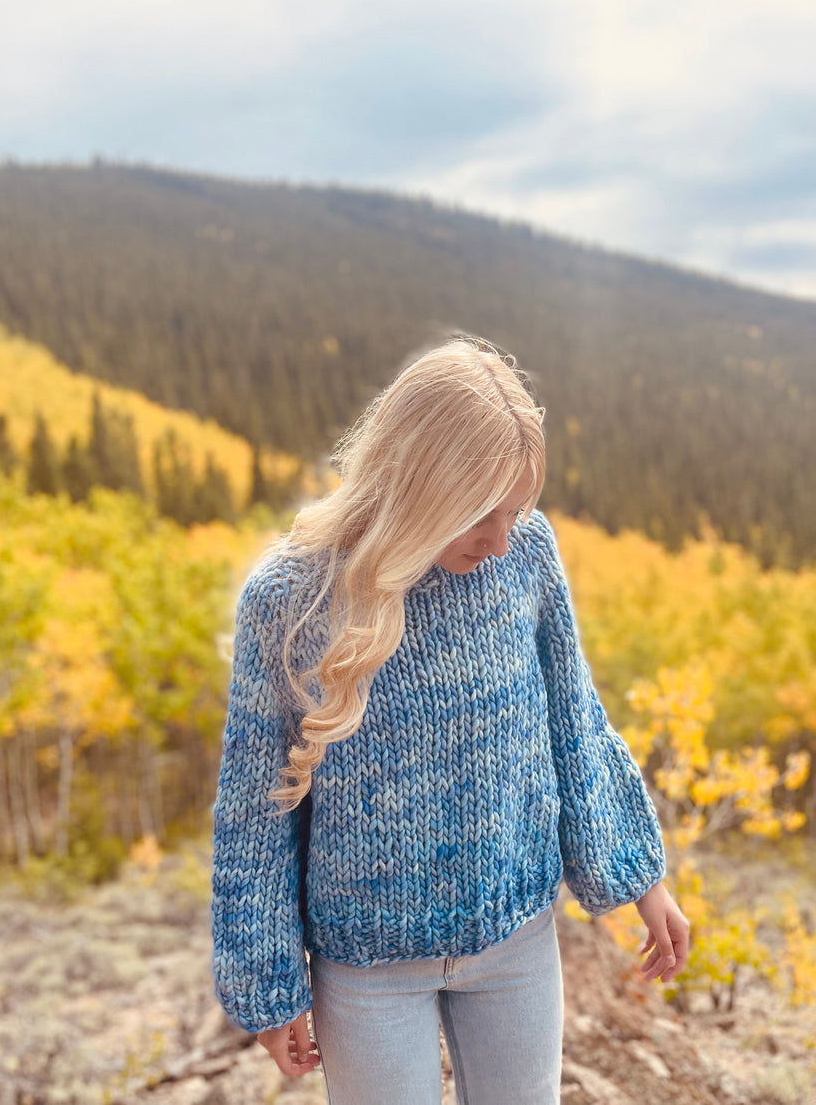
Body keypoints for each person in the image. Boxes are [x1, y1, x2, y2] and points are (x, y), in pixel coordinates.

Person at [211, 336, 690, 1105]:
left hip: (517, 943)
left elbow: (575, 721)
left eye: (517, 510)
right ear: (418, 484)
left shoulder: (525, 556)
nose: (499, 539)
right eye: (478, 514)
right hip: (365, 969)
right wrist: (269, 987)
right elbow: (255, 808)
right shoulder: (290, 598)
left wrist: (641, 876)